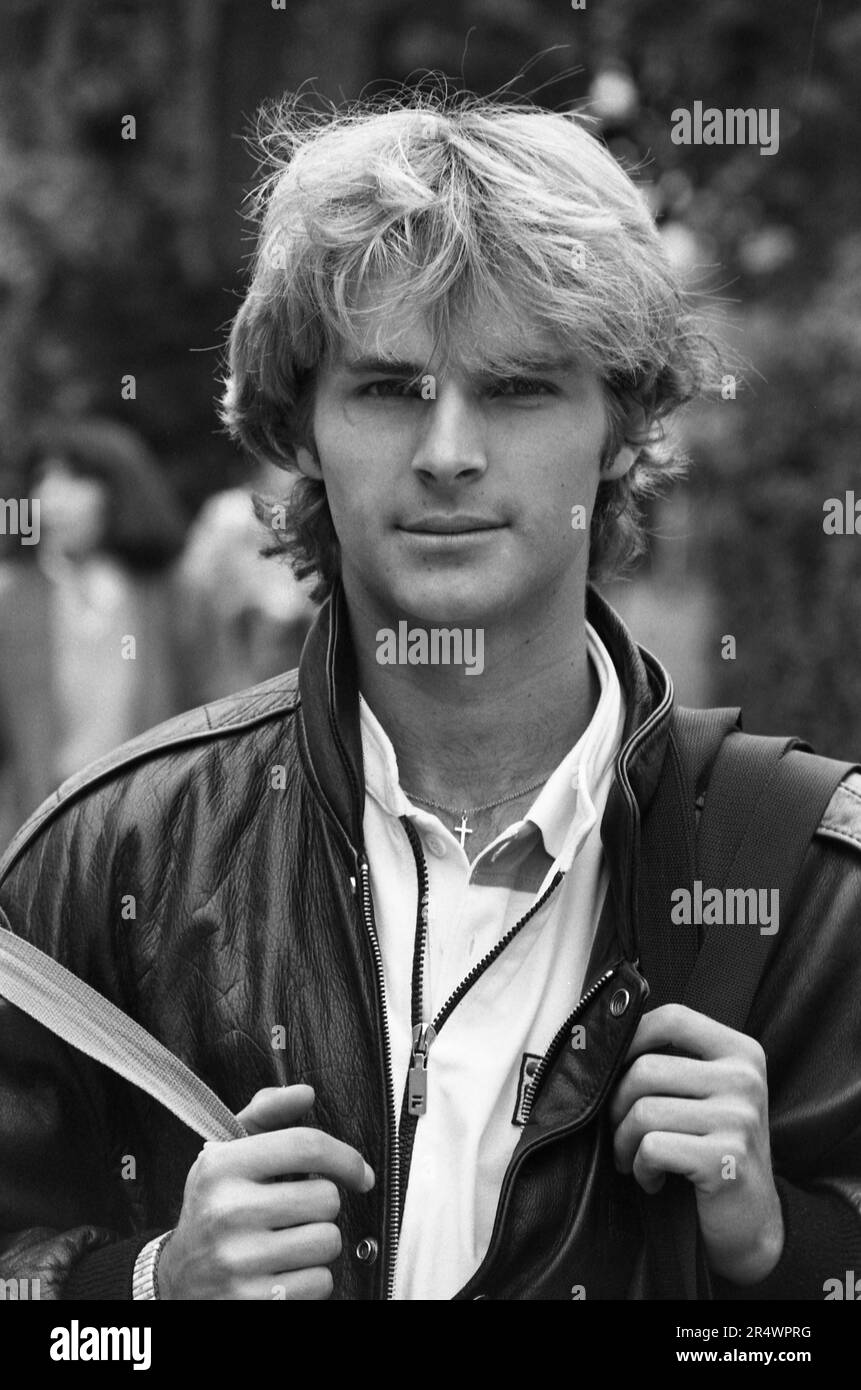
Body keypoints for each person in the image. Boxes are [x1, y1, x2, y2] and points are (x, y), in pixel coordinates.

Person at [0, 96, 859, 1302]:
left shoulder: (812, 888)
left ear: (621, 426)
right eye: (391, 388)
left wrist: (780, 1253)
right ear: (299, 426)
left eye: (516, 388)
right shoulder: (110, 859)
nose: (449, 448)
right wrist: (147, 1290)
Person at [0, 418, 186, 853]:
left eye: (76, 479)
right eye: (43, 478)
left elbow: (220, 699)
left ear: (119, 492)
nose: (53, 498)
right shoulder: (12, 596)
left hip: (152, 824)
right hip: (42, 830)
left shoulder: (168, 592)